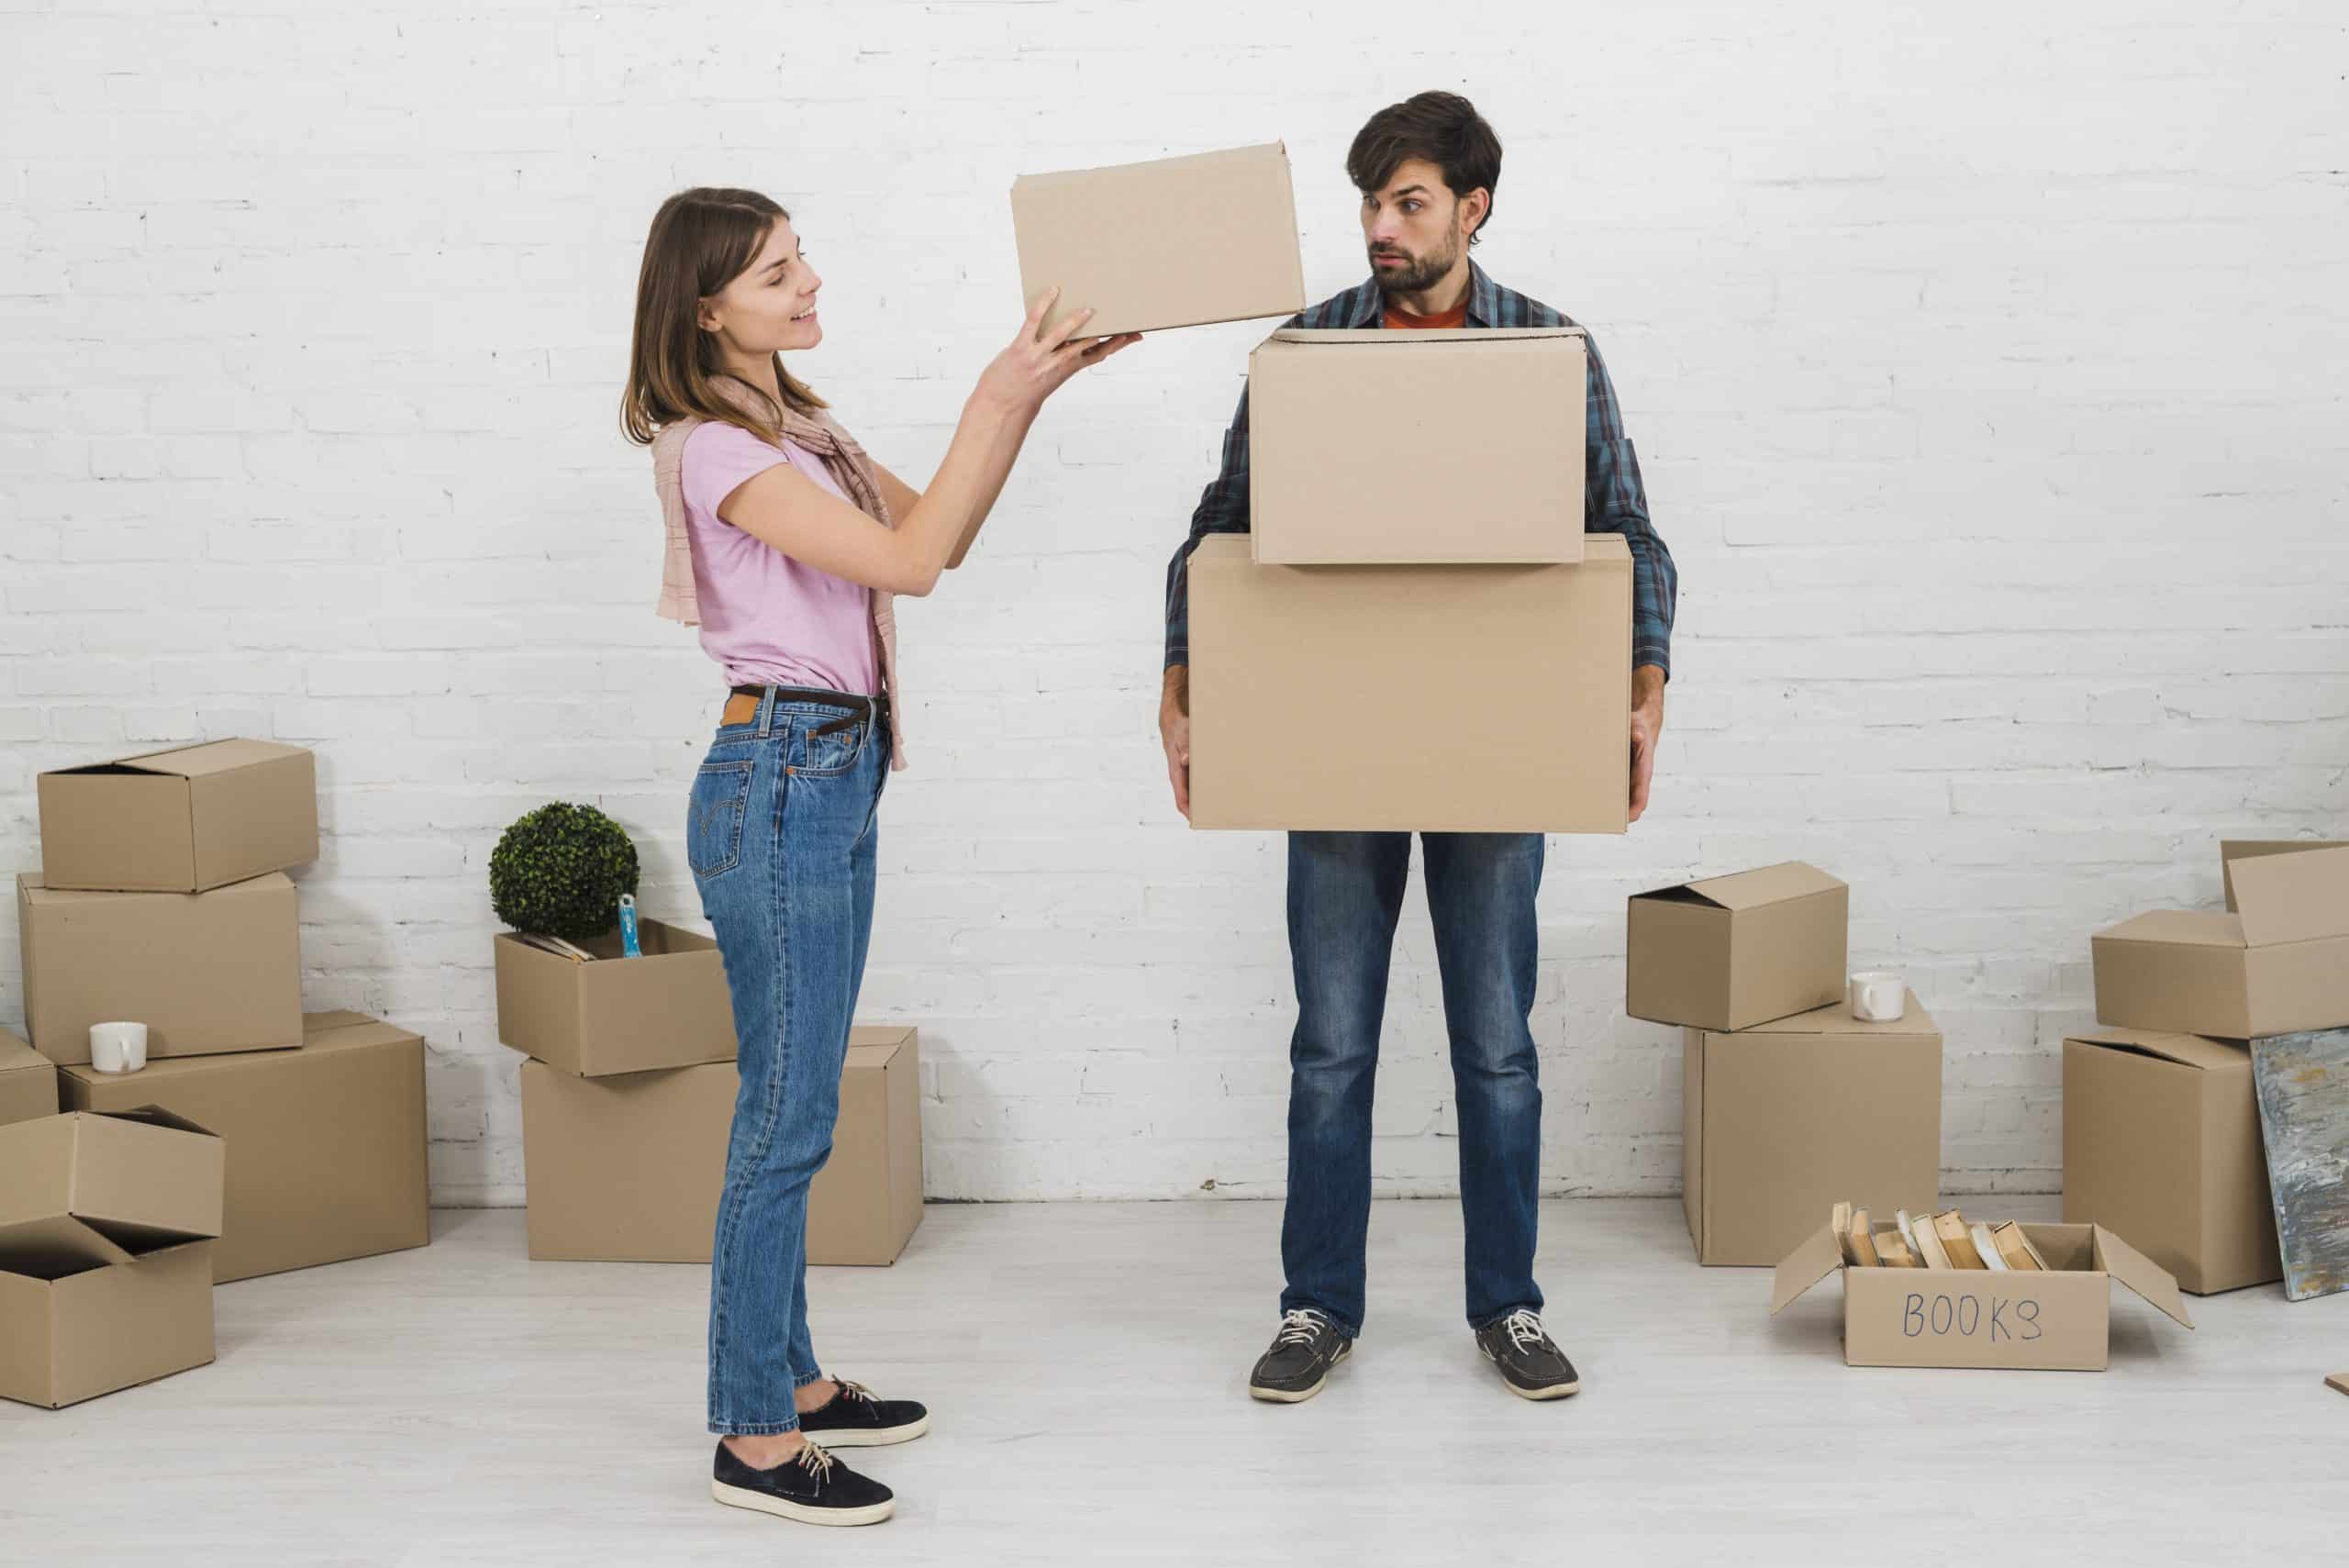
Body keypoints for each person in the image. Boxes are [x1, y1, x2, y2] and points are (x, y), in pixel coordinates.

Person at [622, 186, 1137, 1526]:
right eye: (778, 273)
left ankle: (788, 1381)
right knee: (782, 1119)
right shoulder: (715, 451)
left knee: (799, 1106)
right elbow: (906, 564)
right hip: (779, 773)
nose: (808, 284)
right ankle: (750, 1434)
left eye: (803, 260)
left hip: (826, 772)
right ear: (707, 307)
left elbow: (940, 540)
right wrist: (993, 385)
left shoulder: (797, 430)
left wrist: (1032, 397)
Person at [1156, 93, 1680, 1405]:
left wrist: (1642, 682)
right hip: (1336, 739)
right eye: (1371, 205)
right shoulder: (1307, 348)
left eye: (1410, 203)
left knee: (1495, 1041)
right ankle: (1317, 1303)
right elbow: (1219, 527)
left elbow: (1633, 535)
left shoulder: (1548, 349)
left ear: (1474, 207)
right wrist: (1181, 674)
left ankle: (1507, 1303)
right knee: (1331, 1041)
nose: (1382, 228)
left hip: (1495, 738)